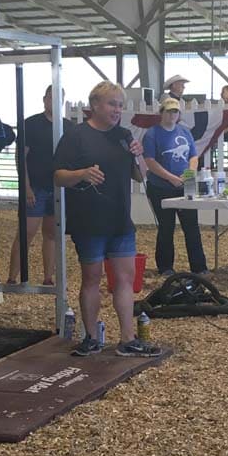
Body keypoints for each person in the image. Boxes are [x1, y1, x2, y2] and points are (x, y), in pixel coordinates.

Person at [53, 81, 160, 358]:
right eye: (112, 104)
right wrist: (82, 174)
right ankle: (90, 337)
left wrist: (140, 156)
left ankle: (127, 338)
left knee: (125, 278)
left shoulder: (123, 136)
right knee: (92, 278)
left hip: (119, 219)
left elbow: (140, 176)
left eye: (120, 105)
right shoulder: (75, 137)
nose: (117, 110)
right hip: (88, 220)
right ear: (95, 105)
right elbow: (57, 175)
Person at [6, 86, 71, 287]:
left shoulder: (68, 127)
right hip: (36, 187)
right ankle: (12, 277)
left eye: (58, 97)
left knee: (52, 233)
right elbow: (21, 158)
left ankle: (48, 277)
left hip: (58, 187)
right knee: (26, 232)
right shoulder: (31, 124)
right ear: (44, 99)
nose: (54, 101)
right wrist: (26, 187)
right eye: (51, 97)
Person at [142, 97, 208, 277]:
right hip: (160, 187)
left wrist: (189, 174)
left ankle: (199, 267)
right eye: (169, 111)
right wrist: (171, 178)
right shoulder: (152, 134)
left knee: (192, 226)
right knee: (166, 227)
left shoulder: (185, 132)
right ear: (161, 113)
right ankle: (165, 267)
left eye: (175, 111)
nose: (172, 114)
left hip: (184, 186)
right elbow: (150, 161)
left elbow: (193, 156)